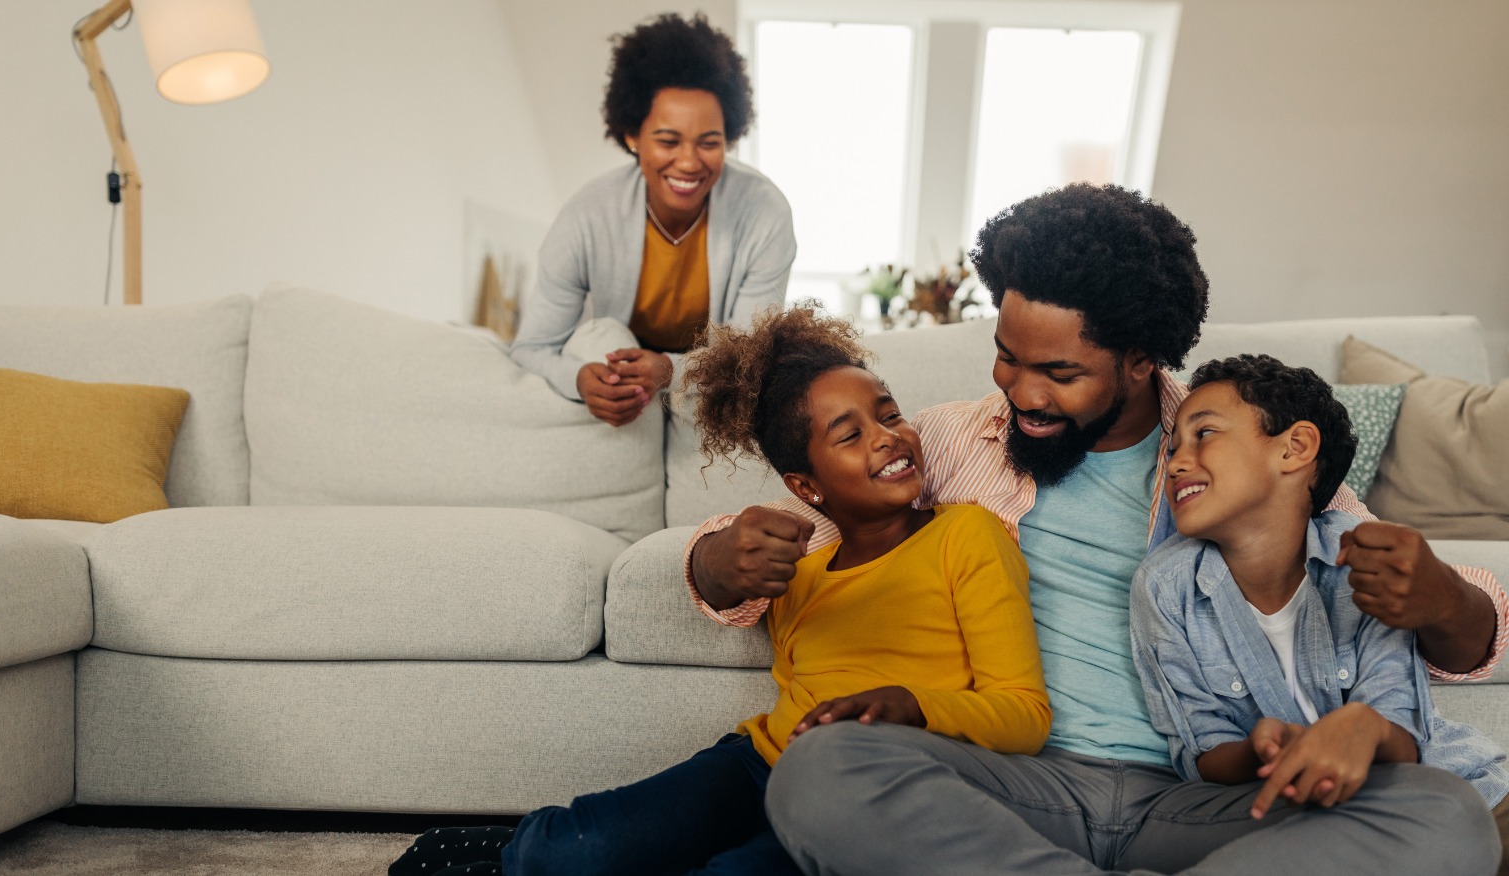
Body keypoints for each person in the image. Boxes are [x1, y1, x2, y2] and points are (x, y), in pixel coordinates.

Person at [682, 184, 1509, 875]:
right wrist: (723, 559)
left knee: (1442, 815)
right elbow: (788, 531)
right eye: (1008, 355)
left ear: (1142, 361)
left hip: (1202, 804)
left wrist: (1437, 594)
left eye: (1060, 373)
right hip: (1008, 792)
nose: (1021, 391)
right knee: (819, 770)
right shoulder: (949, 441)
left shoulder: (1228, 458)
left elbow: (1457, 626)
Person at [390, 307, 1049, 876]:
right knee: (574, 851)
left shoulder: (966, 532)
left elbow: (1024, 715)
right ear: (808, 486)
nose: (887, 437)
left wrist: (911, 704)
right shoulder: (798, 565)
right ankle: (516, 856)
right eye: (850, 435)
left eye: (889, 414)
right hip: (758, 761)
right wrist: (717, 557)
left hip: (868, 789)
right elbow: (718, 571)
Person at [1131, 353, 1509, 876]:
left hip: (1450, 793)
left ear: (1295, 448)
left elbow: (1402, 733)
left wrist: (1363, 728)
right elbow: (1200, 746)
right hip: (1293, 823)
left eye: (1204, 435)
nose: (1174, 462)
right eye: (1173, 446)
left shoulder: (1364, 566)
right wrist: (1258, 752)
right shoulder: (1165, 586)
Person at [510, 12, 796, 427]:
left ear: (729, 138)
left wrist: (669, 370)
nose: (688, 162)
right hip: (619, 365)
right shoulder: (587, 216)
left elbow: (748, 358)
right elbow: (530, 348)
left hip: (712, 386)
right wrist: (577, 380)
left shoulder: (764, 213)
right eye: (668, 140)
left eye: (709, 143)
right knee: (601, 340)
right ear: (631, 136)